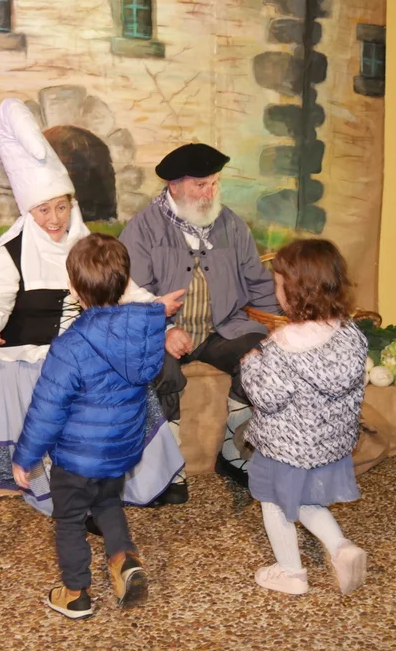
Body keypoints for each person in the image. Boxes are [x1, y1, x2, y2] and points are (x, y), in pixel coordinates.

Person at [0, 98, 186, 513]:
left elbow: (125, 290)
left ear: (72, 205)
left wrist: (159, 314)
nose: (54, 218)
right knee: (69, 396)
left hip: (78, 351)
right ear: (28, 210)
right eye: (43, 209)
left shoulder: (85, 245)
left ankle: (142, 479)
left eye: (61, 206)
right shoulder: (10, 253)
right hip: (22, 358)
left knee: (122, 385)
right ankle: (76, 496)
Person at [12, 234, 163, 619]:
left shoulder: (71, 345)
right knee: (108, 502)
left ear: (74, 288)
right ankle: (124, 560)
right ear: (124, 283)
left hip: (77, 458)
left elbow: (47, 409)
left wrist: (25, 457)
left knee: (69, 521)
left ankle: (76, 593)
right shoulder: (144, 334)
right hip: (119, 450)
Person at [119, 143, 281, 492]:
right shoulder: (142, 229)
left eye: (215, 183)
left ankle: (236, 452)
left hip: (221, 329)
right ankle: (165, 471)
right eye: (201, 185)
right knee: (159, 369)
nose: (210, 193)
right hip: (160, 332)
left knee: (263, 357)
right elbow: (130, 292)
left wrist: (283, 328)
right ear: (174, 186)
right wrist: (164, 329)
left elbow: (257, 283)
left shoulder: (232, 225)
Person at [239, 239, 368, 596]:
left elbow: (267, 398)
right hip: (329, 445)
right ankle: (342, 548)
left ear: (293, 293)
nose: (276, 291)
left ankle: (291, 573)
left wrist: (251, 365)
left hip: (284, 448)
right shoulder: (351, 334)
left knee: (274, 502)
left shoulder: (283, 345)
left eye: (278, 284)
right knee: (306, 499)